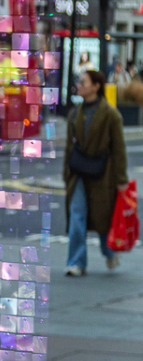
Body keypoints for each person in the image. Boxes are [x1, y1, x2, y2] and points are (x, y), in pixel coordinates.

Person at [64, 69, 129, 276]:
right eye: (79, 82)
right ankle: (76, 262)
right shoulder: (75, 113)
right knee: (77, 215)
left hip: (104, 174)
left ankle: (109, 251)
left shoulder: (111, 114)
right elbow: (68, 147)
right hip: (79, 173)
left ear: (96, 86)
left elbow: (119, 150)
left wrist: (121, 179)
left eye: (83, 82)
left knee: (103, 218)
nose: (79, 86)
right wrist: (66, 175)